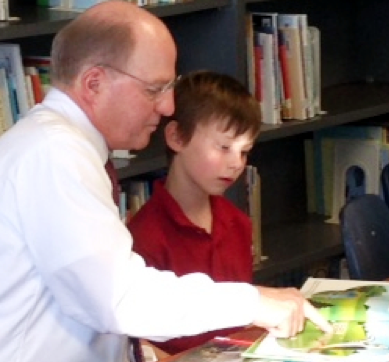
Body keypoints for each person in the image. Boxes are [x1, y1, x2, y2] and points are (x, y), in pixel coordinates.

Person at [0, 1, 332, 362]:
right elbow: (118, 297)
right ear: (94, 83)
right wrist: (254, 302)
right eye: (154, 89)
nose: (168, 106)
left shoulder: (58, 146)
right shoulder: (54, 153)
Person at [128, 70, 261, 355]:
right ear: (176, 137)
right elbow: (139, 343)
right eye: (224, 147)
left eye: (244, 151)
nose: (236, 163)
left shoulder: (237, 223)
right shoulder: (143, 237)